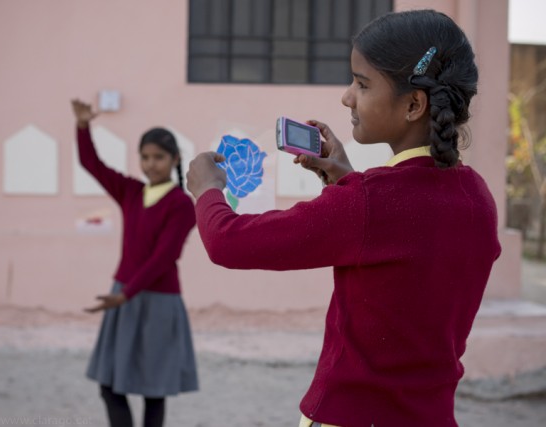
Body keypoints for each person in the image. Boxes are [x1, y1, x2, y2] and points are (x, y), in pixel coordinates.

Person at [186, 9, 501, 427]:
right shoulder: (477, 197)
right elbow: (408, 246)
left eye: (362, 83)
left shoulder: (370, 202)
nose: (347, 97)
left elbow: (228, 242)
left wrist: (207, 189)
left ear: (413, 104)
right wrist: (347, 181)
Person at [71, 99, 198, 427]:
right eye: (145, 157)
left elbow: (163, 258)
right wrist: (83, 126)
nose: (151, 164)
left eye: (158, 157)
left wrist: (125, 294)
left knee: (153, 391)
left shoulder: (182, 204)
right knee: (110, 386)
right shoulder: (130, 191)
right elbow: (91, 163)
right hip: (124, 295)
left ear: (174, 159)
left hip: (157, 301)